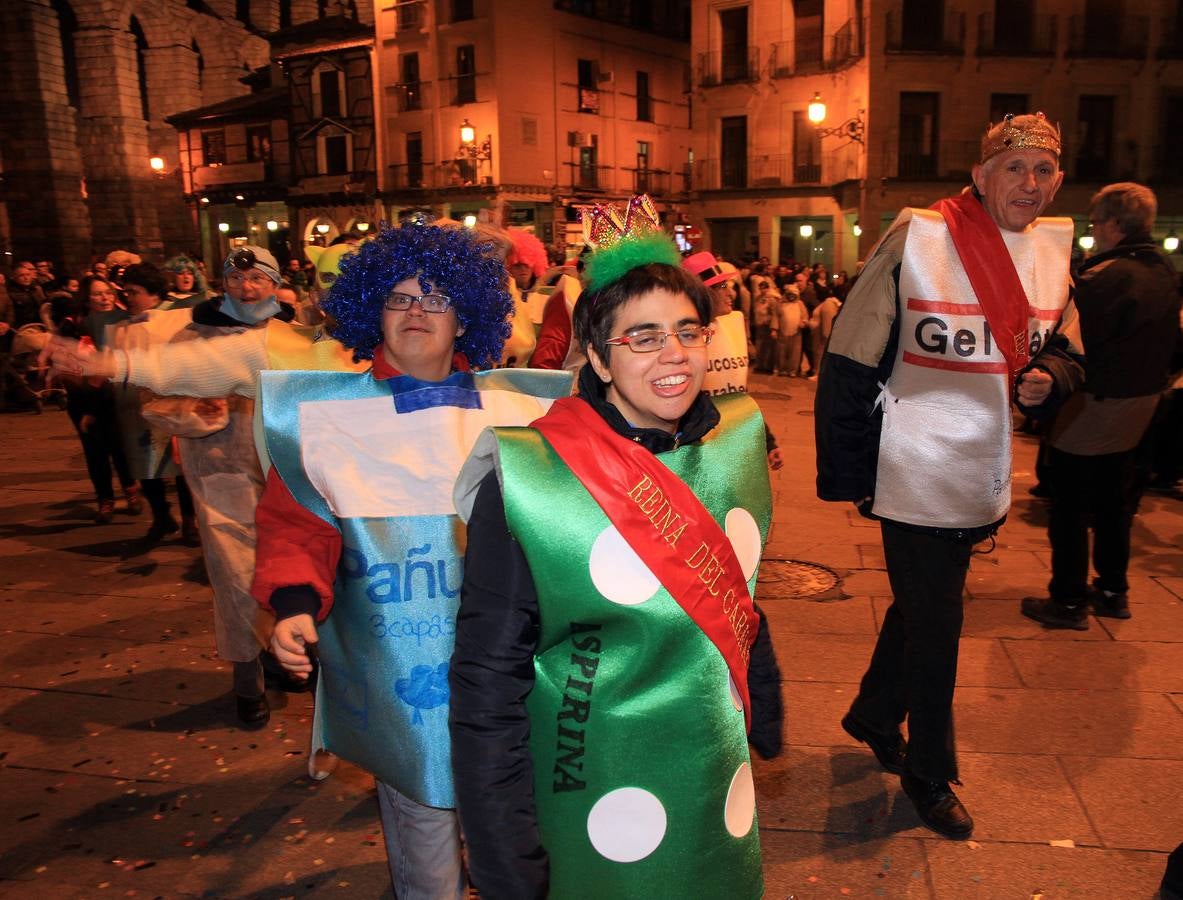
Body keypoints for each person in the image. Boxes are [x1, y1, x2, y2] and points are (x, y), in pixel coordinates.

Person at [450, 195, 783, 898]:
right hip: (589, 784)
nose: (673, 354)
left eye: (687, 331)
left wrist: (763, 684)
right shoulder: (533, 476)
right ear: (598, 358)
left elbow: (735, 584)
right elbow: (487, 682)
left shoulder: (735, 442)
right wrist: (503, 850)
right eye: (642, 336)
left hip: (715, 775)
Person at [251, 223, 572, 897]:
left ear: (466, 317)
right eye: (398, 298)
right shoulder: (329, 417)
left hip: (512, 678)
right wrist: (293, 605)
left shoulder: (523, 408)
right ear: (373, 310)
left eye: (436, 298)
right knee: (426, 853)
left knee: (520, 841)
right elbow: (296, 525)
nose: (416, 311)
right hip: (401, 689)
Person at [815, 113, 1084, 839]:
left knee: (921, 606)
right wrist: (849, 473)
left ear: (1058, 181)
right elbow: (849, 355)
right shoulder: (921, 236)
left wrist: (1050, 378)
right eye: (1014, 167)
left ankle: (874, 713)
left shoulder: (1054, 253)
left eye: (1043, 170)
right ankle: (928, 772)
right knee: (938, 625)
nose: (1029, 183)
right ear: (981, 175)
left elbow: (1067, 348)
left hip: (982, 472)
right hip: (910, 465)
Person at [1021, 183, 1182, 629]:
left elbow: (1070, 341)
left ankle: (1069, 601)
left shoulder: (1106, 277)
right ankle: (1112, 591)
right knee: (1115, 503)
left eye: (1095, 223)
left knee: (1069, 505)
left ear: (1114, 224)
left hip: (1096, 404)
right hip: (1141, 403)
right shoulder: (1161, 269)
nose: (1095, 231)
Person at [108, 263, 197, 543]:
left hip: (174, 402)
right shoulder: (122, 326)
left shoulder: (178, 318)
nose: (128, 298)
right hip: (136, 407)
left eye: (134, 292)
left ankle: (190, 521)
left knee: (182, 466)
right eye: (126, 292)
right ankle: (161, 517)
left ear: (153, 293)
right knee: (145, 465)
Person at [683, 250, 783, 470]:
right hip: (699, 455)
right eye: (721, 287)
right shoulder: (680, 341)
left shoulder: (728, 327)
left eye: (729, 286)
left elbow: (738, 396)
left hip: (731, 446)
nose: (731, 293)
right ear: (702, 294)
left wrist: (767, 441)